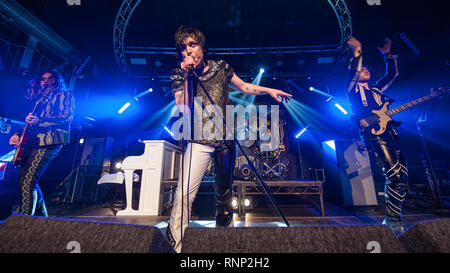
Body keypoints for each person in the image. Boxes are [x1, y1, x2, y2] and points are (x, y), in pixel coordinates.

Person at [166, 25, 292, 252]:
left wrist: (269, 90)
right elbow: (183, 106)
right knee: (184, 194)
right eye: (183, 48)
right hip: (198, 139)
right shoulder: (179, 73)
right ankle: (174, 245)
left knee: (224, 197)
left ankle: (225, 242)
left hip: (225, 138)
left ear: (202, 46)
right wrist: (187, 75)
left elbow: (244, 86)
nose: (188, 51)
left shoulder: (221, 67)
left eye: (192, 45)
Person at [346, 36, 407, 235]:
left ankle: (393, 217)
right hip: (374, 135)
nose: (365, 70)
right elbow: (353, 74)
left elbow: (394, 73)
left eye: (367, 69)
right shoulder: (353, 91)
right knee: (394, 174)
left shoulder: (377, 91)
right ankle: (394, 220)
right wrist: (357, 52)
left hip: (391, 133)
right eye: (362, 69)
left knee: (402, 177)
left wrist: (388, 54)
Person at [8, 71, 75, 216]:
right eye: (43, 79)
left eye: (50, 79)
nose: (45, 82)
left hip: (50, 141)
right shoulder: (41, 99)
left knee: (28, 180)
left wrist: (40, 120)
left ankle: (25, 218)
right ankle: (42, 218)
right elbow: (31, 123)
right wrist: (17, 134)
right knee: (25, 180)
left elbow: (66, 117)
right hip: (33, 142)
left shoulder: (65, 95)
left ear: (57, 81)